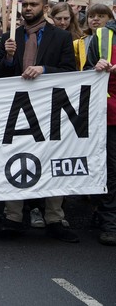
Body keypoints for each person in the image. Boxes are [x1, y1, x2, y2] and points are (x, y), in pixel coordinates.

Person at [0, 0, 78, 243]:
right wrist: (8, 58)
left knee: (53, 158)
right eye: (25, 4)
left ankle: (54, 217)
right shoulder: (11, 36)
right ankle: (13, 217)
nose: (27, 8)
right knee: (15, 158)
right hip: (17, 110)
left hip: (50, 109)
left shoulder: (61, 37)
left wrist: (43, 69)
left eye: (33, 4)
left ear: (44, 8)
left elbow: (70, 71)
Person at [84, 13, 116, 246]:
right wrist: (95, 67)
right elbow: (85, 74)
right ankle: (110, 224)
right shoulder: (103, 35)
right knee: (112, 172)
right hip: (110, 116)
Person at [75, 4, 115, 70]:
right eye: (91, 16)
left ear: (110, 19)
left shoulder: (114, 39)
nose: (95, 19)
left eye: (101, 16)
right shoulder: (77, 43)